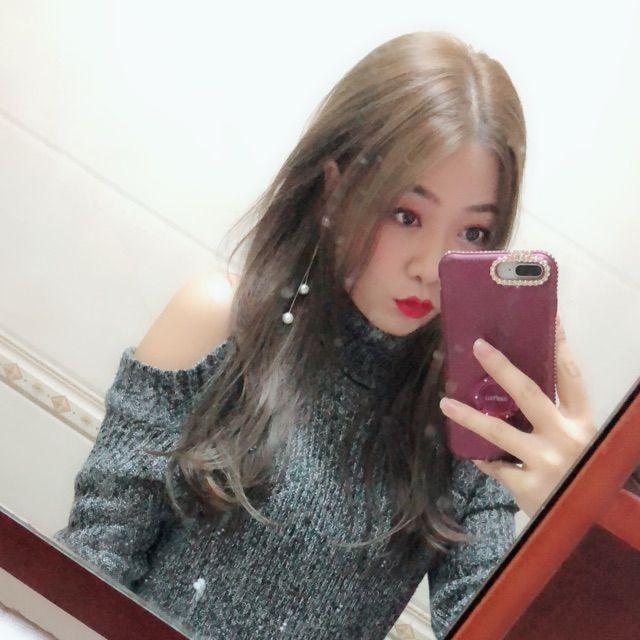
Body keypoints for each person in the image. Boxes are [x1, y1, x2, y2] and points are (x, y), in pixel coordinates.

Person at [54, 31, 596, 639]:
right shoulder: (219, 329)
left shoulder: (465, 422)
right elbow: (85, 578)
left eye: (472, 234)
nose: (430, 266)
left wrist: (577, 525)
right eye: (405, 215)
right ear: (334, 185)